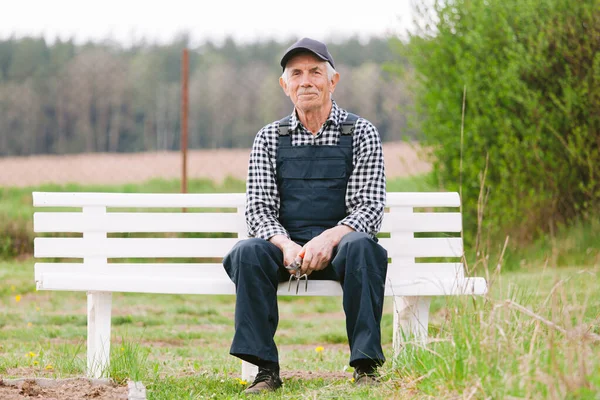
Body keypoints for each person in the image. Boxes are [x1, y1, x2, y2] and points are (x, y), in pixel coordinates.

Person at [223, 37, 388, 395]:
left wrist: (329, 239)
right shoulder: (269, 138)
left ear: (333, 80)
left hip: (343, 250)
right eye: (296, 73)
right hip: (287, 250)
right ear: (285, 85)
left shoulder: (360, 132)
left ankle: (365, 367)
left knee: (364, 247)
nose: (306, 80)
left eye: (316, 71)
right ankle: (265, 370)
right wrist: (284, 245)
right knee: (247, 251)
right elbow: (259, 209)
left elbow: (369, 208)